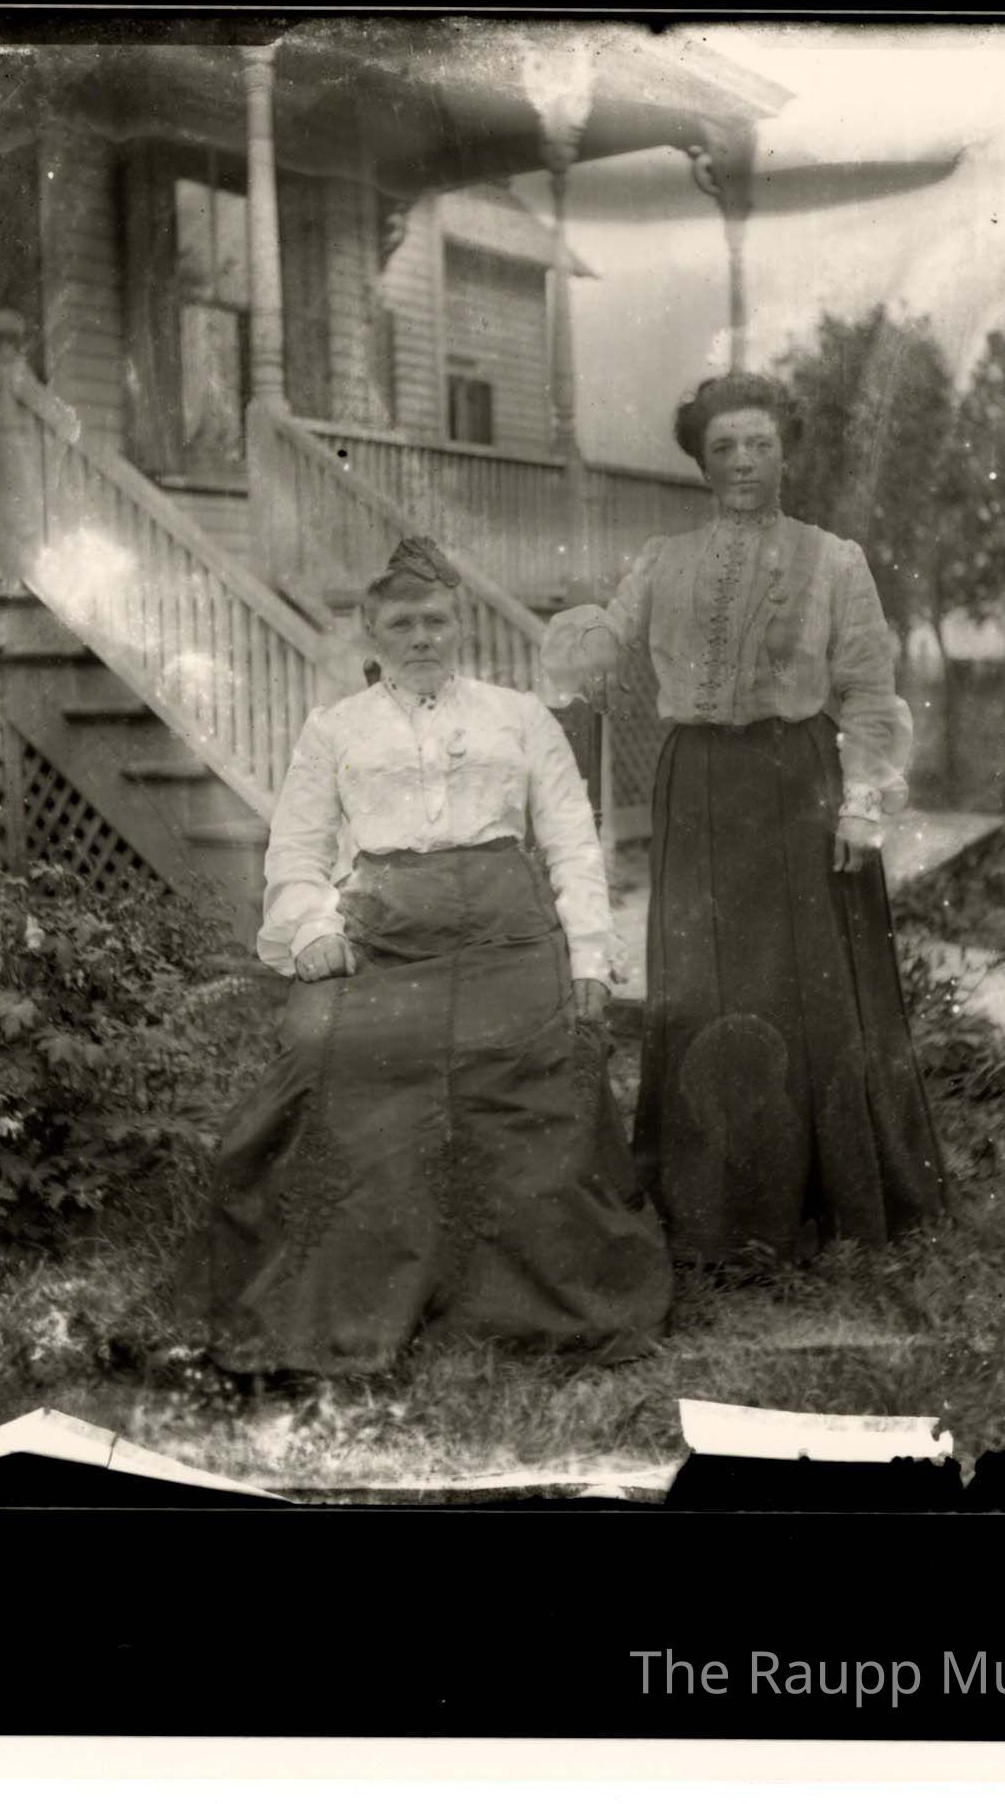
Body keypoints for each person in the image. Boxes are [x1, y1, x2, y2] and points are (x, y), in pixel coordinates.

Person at [195, 536, 672, 1380]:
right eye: (403, 623)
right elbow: (298, 850)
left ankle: (521, 1303)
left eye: (437, 621)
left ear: (460, 627)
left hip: (507, 934)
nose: (422, 636)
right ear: (372, 633)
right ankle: (354, 1296)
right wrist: (312, 928)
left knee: (535, 1069)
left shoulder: (517, 717)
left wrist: (589, 958)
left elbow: (571, 841)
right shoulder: (334, 729)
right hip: (384, 935)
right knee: (326, 1060)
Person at [543, 372, 949, 1263]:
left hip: (797, 782)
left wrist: (861, 803)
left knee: (803, 985)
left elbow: (866, 689)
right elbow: (603, 647)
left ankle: (819, 1203)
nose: (741, 461)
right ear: (700, 461)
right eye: (722, 446)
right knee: (706, 982)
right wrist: (580, 648)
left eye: (758, 443)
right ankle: (715, 1206)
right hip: (697, 787)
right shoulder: (662, 560)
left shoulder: (833, 559)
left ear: (784, 454)